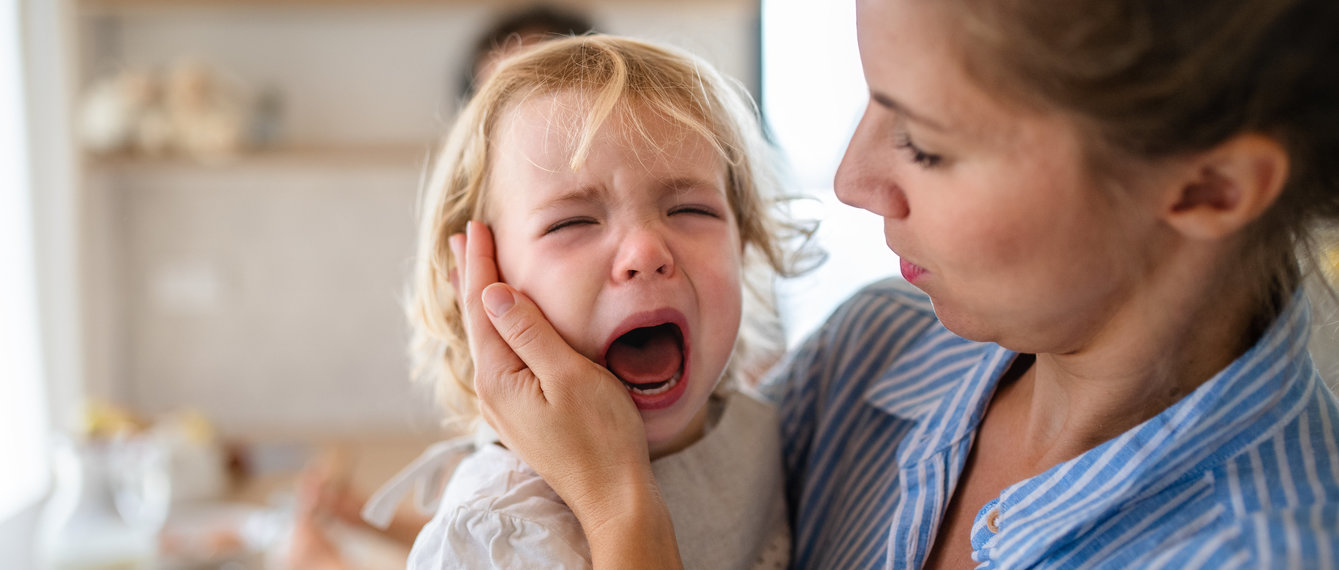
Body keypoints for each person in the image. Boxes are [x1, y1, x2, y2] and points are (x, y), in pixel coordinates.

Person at [453, 0, 1339, 567]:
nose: (850, 177)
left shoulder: (1256, 551)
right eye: (870, 99)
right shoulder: (872, 349)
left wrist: (620, 513)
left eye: (925, 143)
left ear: (1205, 188)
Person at [373, 35, 810, 569]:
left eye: (691, 210)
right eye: (573, 222)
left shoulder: (766, 433)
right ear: (478, 283)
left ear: (743, 244)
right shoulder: (498, 533)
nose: (647, 252)